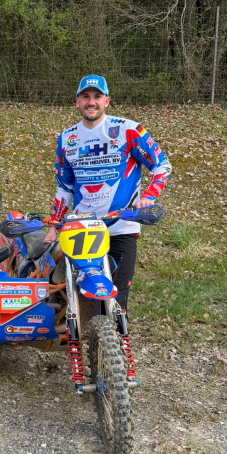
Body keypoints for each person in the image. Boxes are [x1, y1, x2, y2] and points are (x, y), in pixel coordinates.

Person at [43, 74, 171, 312]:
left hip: (121, 225)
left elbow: (162, 165)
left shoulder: (128, 130)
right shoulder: (67, 138)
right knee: (80, 300)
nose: (91, 102)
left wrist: (149, 197)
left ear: (107, 101)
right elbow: (64, 186)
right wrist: (53, 224)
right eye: (85, 97)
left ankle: (118, 335)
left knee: (117, 302)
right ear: (77, 102)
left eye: (97, 96)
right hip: (82, 230)